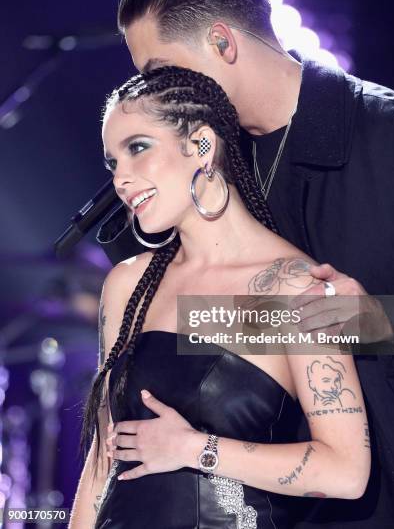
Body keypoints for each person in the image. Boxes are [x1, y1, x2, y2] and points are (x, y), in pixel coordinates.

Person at [95, 0, 394, 527]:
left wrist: (385, 323)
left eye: (160, 72)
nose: (154, 93)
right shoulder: (209, 170)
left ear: (223, 43)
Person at [69, 66, 370, 529]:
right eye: (113, 163)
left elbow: (347, 472)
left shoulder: (295, 288)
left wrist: (192, 448)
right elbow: (102, 458)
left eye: (138, 149)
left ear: (203, 147)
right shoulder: (127, 284)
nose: (121, 180)